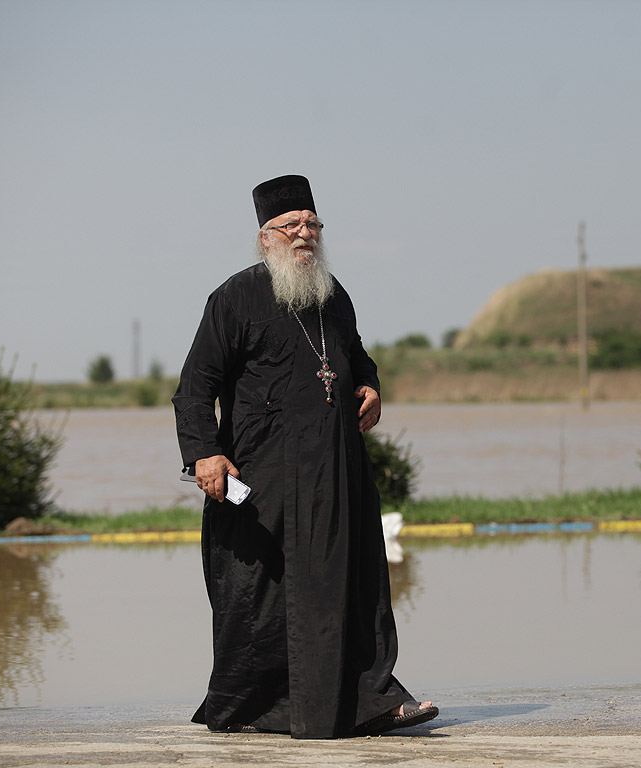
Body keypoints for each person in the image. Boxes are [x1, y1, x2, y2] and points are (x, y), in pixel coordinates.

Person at [172, 174, 438, 739]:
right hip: (261, 474)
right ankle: (252, 708)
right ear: (265, 238)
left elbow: (357, 358)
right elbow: (195, 386)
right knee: (258, 595)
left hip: (336, 470)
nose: (304, 235)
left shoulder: (333, 295)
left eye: (311, 225)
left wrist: (369, 385)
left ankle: (373, 701)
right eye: (289, 226)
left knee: (354, 583)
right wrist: (204, 455)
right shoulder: (235, 297)